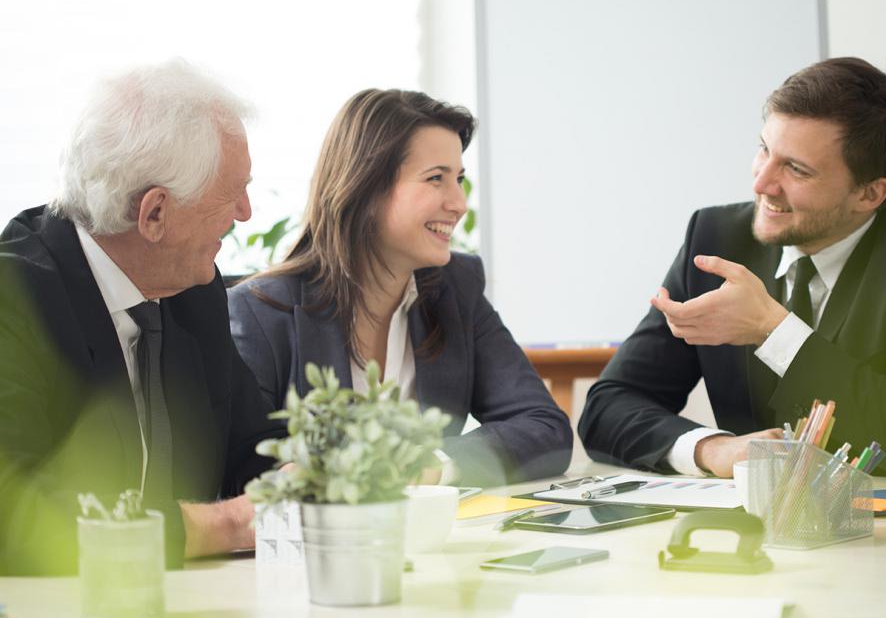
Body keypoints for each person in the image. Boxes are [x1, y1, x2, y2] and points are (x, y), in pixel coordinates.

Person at [579, 57, 886, 483]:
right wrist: (711, 449)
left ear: (868, 194)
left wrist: (775, 331)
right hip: (754, 532)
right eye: (764, 150)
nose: (761, 183)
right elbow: (608, 408)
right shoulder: (714, 239)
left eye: (796, 169)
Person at [0, 60, 283, 575]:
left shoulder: (192, 289)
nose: (245, 212)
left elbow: (254, 449)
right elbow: (15, 517)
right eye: (232, 191)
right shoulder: (12, 300)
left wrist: (304, 478)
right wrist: (224, 526)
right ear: (154, 214)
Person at [228, 89, 572, 487]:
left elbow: (545, 428)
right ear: (366, 187)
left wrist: (428, 466)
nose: (459, 203)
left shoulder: (455, 289)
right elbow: (239, 476)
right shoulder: (261, 312)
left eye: (458, 179)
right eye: (436, 179)